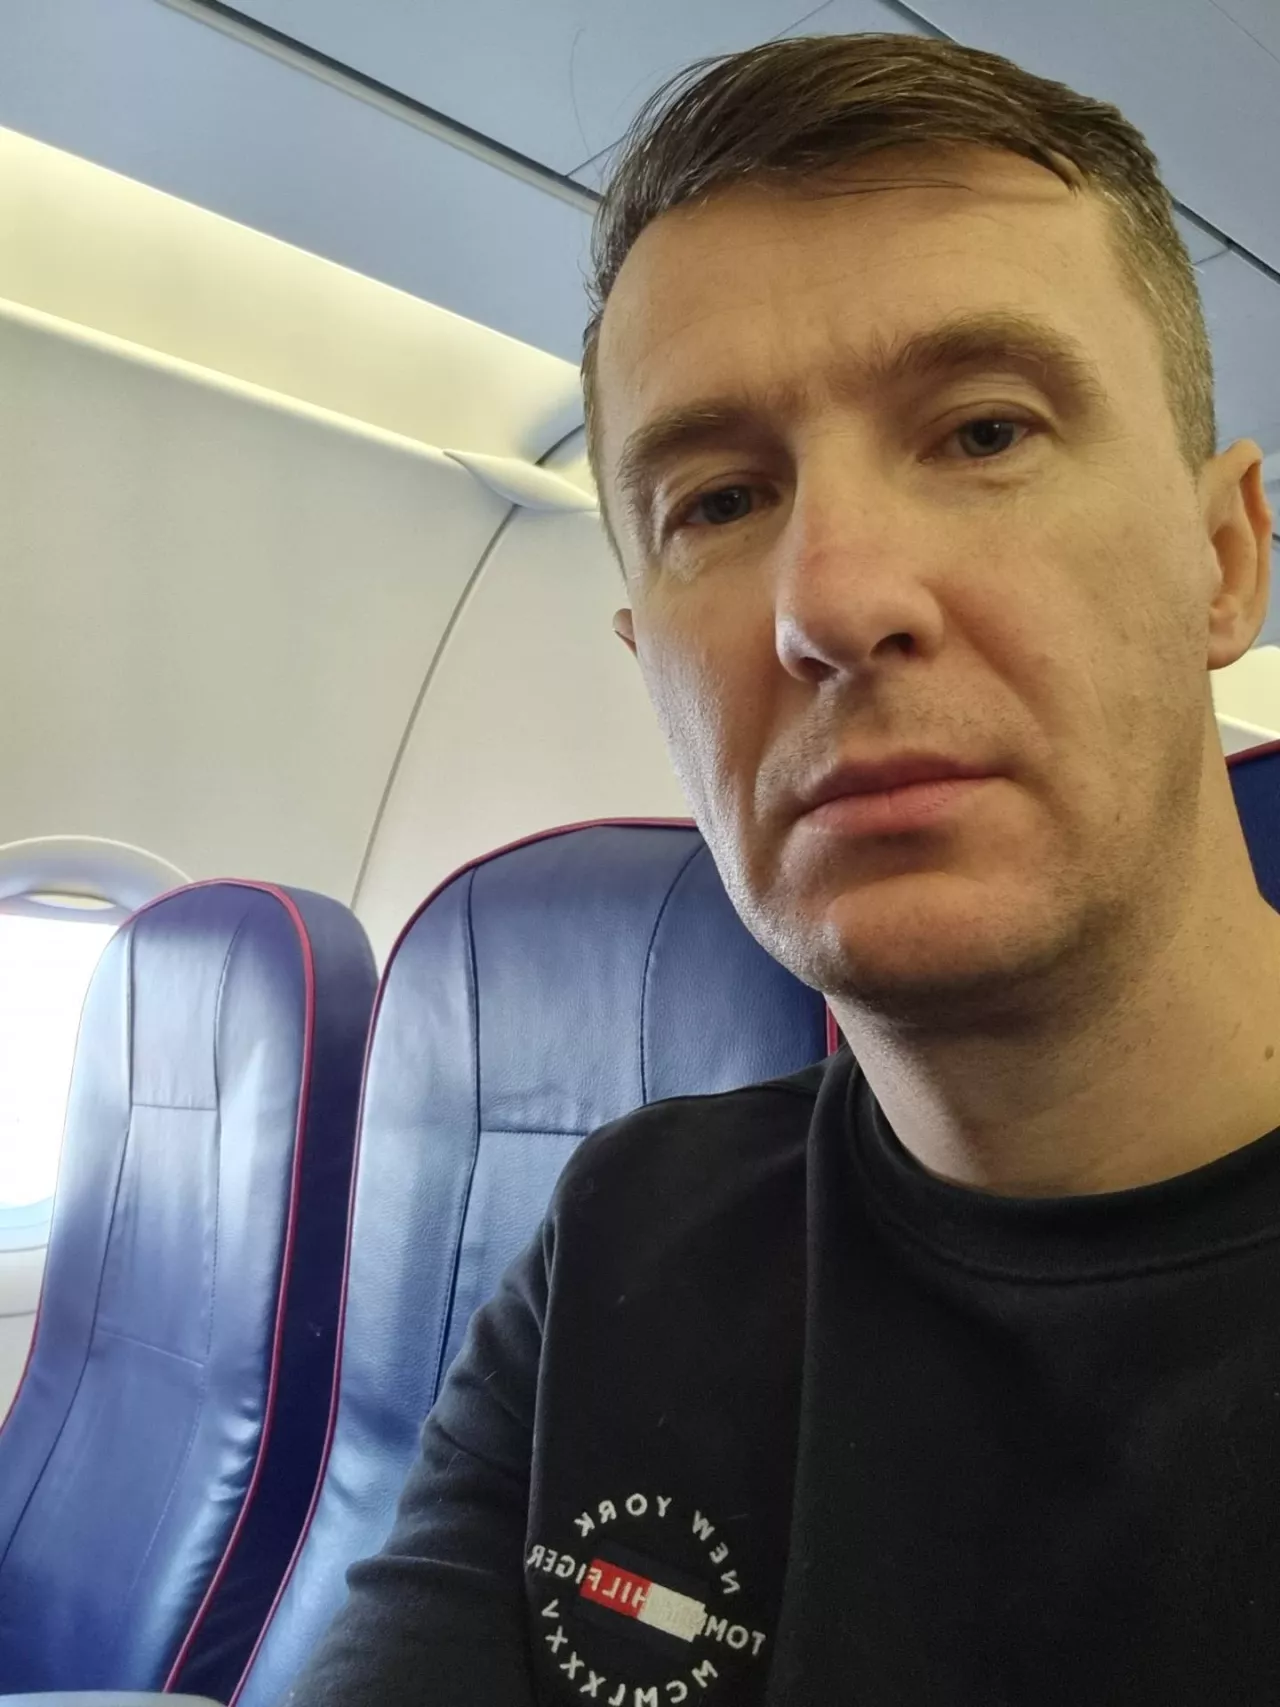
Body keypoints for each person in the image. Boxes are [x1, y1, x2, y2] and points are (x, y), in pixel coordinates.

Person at [289, 32, 1276, 1706]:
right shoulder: (626, 1236)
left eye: (984, 432)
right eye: (720, 499)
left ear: (1226, 560)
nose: (830, 602)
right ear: (648, 663)